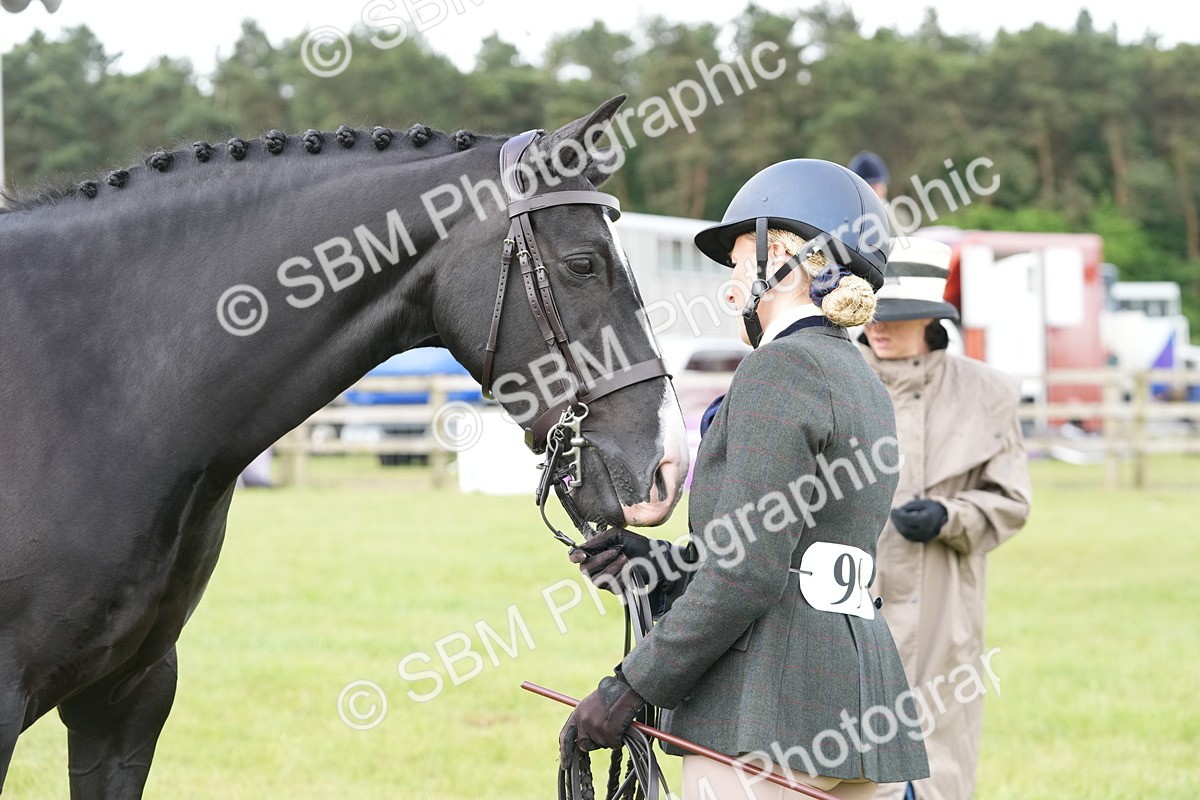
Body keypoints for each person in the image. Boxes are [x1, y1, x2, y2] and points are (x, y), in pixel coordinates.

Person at [560, 160, 929, 800]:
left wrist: (631, 687)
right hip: (863, 704)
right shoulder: (861, 378)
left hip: (766, 714)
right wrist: (663, 564)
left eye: (738, 265)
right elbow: (796, 553)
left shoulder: (778, 369)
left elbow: (748, 573)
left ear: (784, 263)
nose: (731, 289)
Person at [859, 237, 1032, 800]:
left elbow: (1011, 500)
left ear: (931, 318)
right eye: (870, 315)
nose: (877, 328)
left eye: (893, 316)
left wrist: (949, 516)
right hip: (850, 607)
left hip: (944, 607)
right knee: (850, 762)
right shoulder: (837, 383)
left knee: (937, 766)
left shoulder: (988, 392)